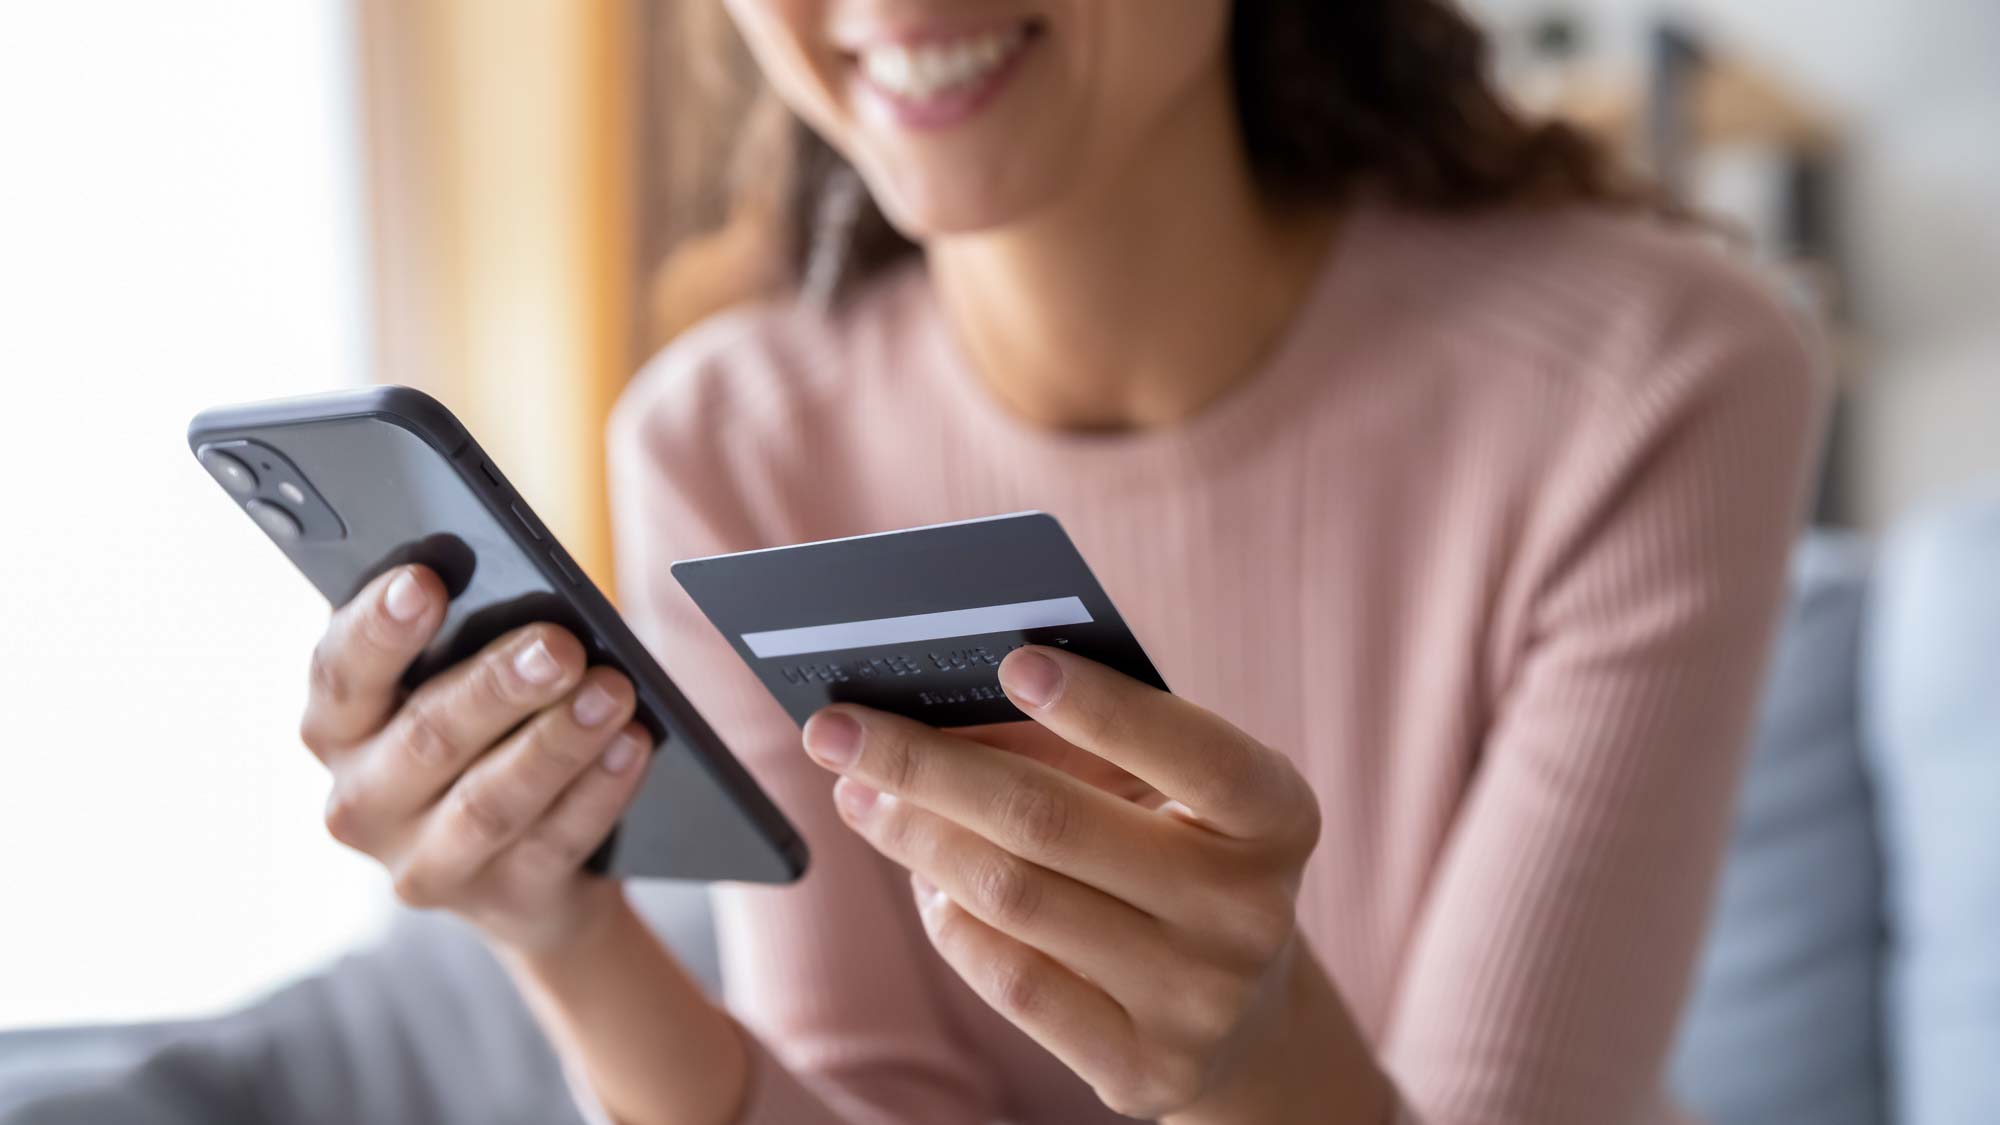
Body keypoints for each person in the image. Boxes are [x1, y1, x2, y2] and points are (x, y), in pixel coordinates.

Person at [296, 1, 1826, 1122]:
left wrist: (1257, 1060)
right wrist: (560, 932)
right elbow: (872, 1097)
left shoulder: (1655, 380)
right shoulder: (727, 441)